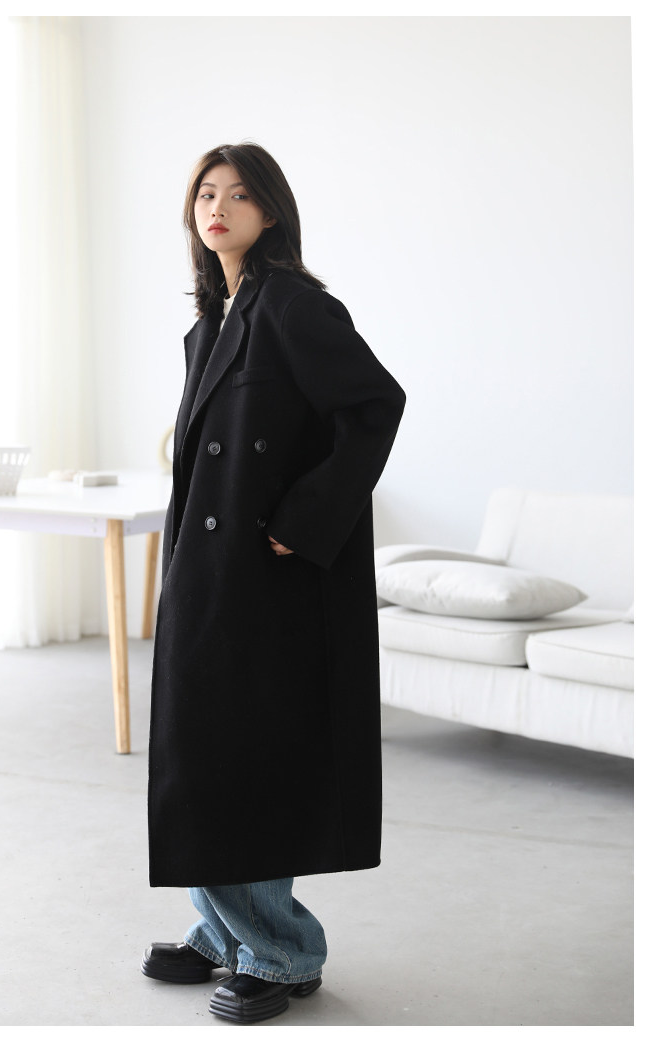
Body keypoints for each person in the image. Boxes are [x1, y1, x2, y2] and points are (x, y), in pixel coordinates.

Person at [142, 142, 406, 1024]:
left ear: (271, 212)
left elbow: (374, 405)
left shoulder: (292, 303)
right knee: (200, 755)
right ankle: (224, 931)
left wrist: (306, 518)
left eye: (238, 195)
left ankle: (285, 950)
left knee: (240, 759)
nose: (217, 208)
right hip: (207, 569)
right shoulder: (214, 319)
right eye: (205, 195)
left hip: (265, 576)